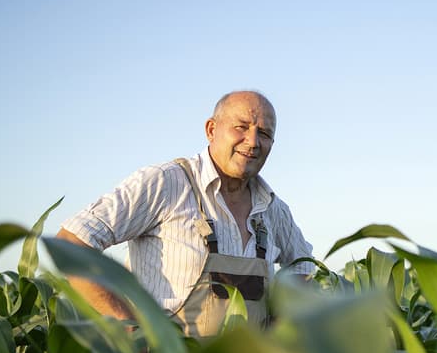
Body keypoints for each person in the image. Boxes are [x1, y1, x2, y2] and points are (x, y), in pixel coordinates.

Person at [57, 90, 315, 337]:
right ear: (211, 130)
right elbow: (71, 242)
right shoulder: (166, 183)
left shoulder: (272, 208)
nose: (253, 141)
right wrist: (126, 326)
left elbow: (304, 267)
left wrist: (280, 326)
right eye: (241, 127)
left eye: (264, 133)